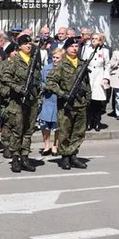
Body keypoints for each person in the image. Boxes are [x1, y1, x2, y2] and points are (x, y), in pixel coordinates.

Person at [0, 33, 40, 173]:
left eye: (30, 44)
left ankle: (25, 157)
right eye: (25, 44)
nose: (28, 46)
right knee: (17, 131)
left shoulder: (33, 61)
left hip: (31, 100)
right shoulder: (13, 61)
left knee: (28, 131)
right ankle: (15, 158)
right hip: (17, 101)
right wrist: (18, 88)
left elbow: (37, 78)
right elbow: (5, 77)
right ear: (19, 46)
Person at [45, 38, 89, 169]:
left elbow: (87, 83)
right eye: (72, 46)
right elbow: (50, 82)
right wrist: (63, 94)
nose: (75, 48)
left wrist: (88, 98)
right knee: (65, 131)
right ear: (66, 48)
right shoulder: (61, 64)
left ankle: (73, 155)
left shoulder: (82, 64)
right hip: (66, 104)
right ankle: (65, 157)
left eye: (77, 46)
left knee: (78, 131)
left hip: (80, 103)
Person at [86, 34, 110, 131]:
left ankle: (97, 122)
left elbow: (107, 65)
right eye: (93, 38)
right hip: (89, 76)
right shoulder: (87, 50)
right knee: (89, 102)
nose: (94, 40)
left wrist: (106, 78)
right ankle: (88, 122)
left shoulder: (105, 51)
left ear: (101, 41)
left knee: (97, 102)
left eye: (96, 39)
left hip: (99, 77)